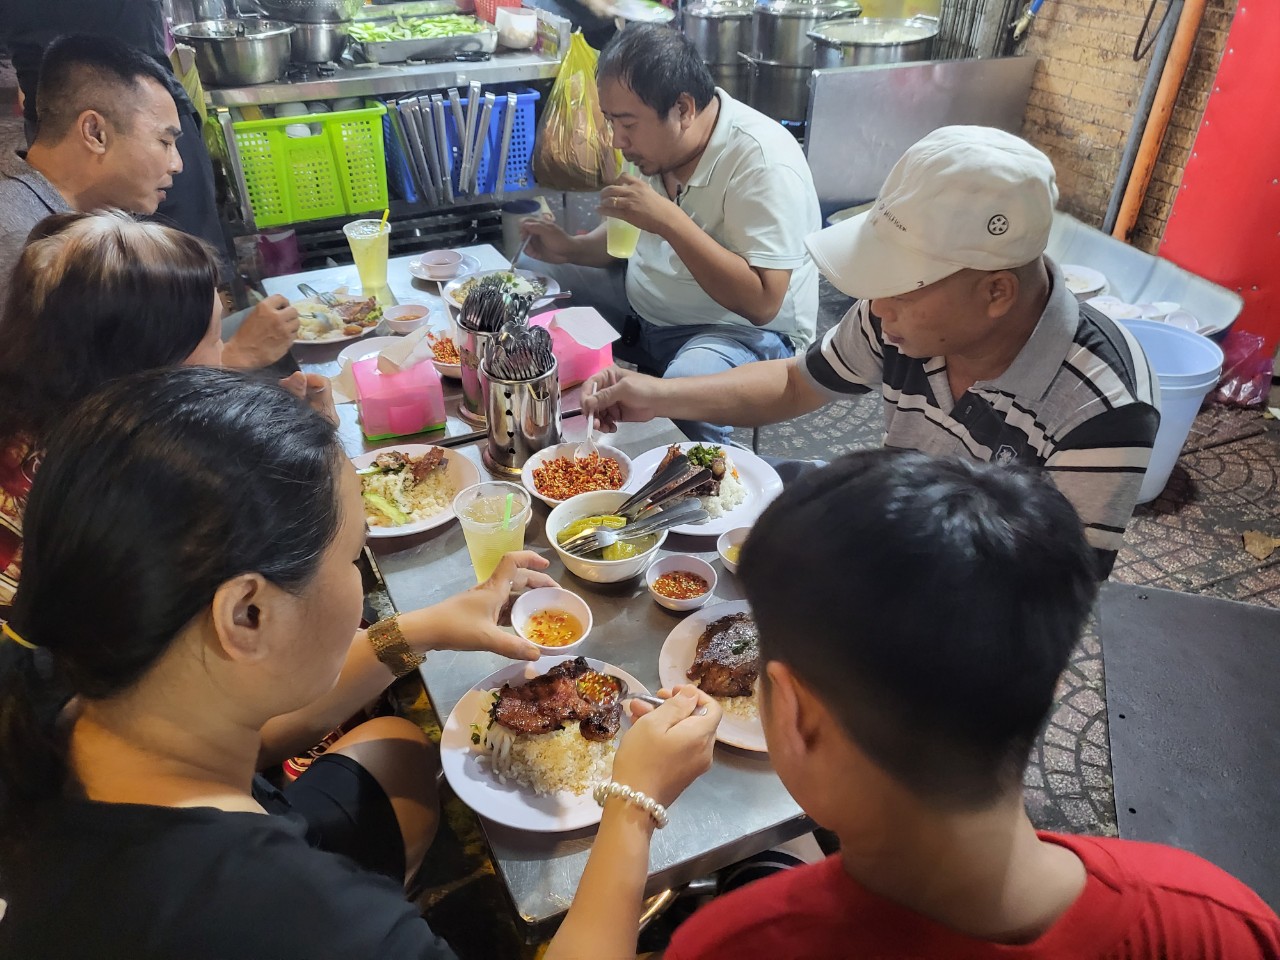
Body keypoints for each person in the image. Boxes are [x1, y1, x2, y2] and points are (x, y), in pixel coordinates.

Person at [0, 365, 722, 959]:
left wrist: (422, 629)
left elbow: (251, 728)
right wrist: (635, 803)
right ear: (247, 614)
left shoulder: (65, 666)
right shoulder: (298, 918)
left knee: (398, 744)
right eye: (352, 558)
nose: (360, 586)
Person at [664, 449, 1280, 959]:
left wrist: (633, 812)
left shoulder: (737, 942)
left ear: (797, 716)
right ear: (1051, 686)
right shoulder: (1219, 922)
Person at [583, 125, 1161, 576]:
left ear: (996, 292)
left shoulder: (1103, 407)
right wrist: (658, 396)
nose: (876, 307)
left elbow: (1050, 590)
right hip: (902, 530)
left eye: (902, 288)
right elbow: (796, 382)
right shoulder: (900, 319)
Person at [0, 210, 329, 611]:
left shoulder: (53, 420)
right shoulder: (110, 499)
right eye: (214, 339)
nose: (222, 358)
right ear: (148, 364)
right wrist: (315, 453)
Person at [520, 24, 821, 445]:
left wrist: (669, 221)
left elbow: (763, 303)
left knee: (684, 388)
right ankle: (543, 411)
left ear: (682, 109)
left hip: (737, 331)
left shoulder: (762, 161)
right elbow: (625, 241)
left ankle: (709, 473)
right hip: (646, 311)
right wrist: (569, 248)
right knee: (533, 275)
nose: (617, 140)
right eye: (610, 121)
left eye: (627, 123)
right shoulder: (653, 146)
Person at [0, 34, 297, 370]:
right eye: (165, 141)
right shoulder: (20, 240)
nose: (177, 164)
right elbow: (63, 395)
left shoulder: (61, 212)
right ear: (95, 133)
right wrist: (234, 358)